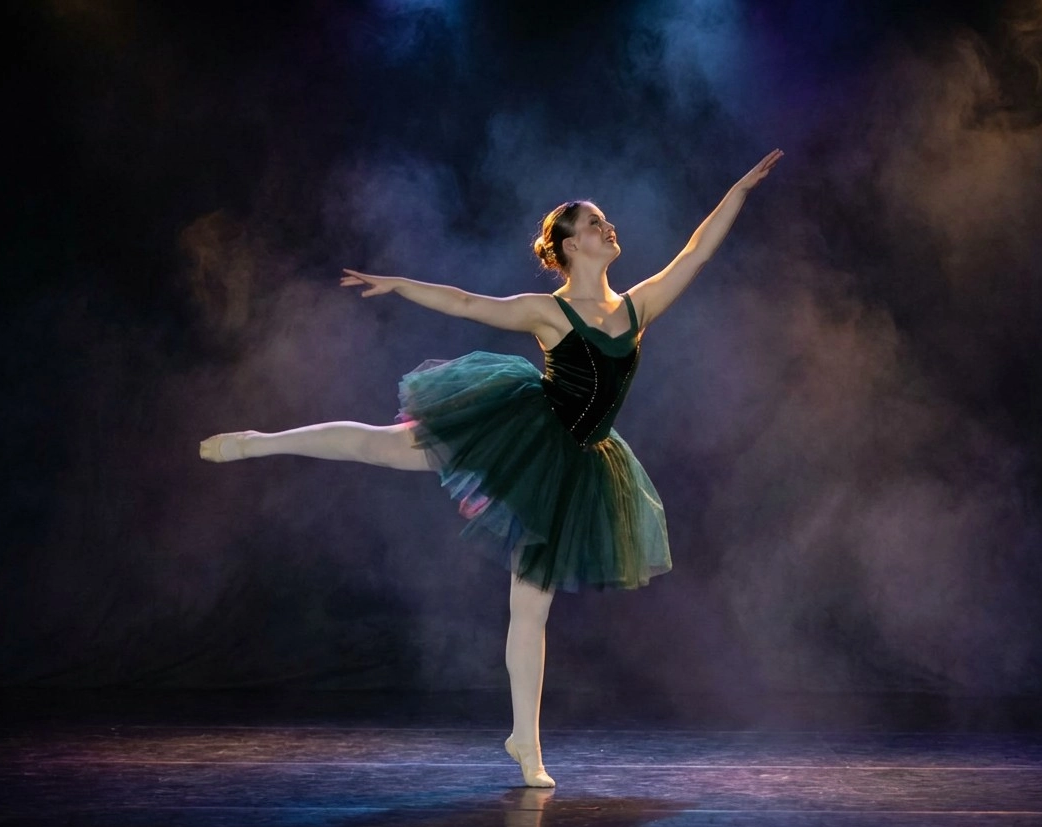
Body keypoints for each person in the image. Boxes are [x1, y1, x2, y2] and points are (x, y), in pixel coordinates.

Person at [199, 149, 784, 787]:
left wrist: (738, 190)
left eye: (604, 220)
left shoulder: (637, 308)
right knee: (382, 446)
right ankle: (258, 442)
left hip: (578, 467)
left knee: (531, 609)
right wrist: (400, 285)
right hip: (521, 435)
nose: (607, 227)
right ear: (570, 245)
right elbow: (466, 303)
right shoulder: (548, 311)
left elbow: (695, 252)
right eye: (594, 223)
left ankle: (524, 743)